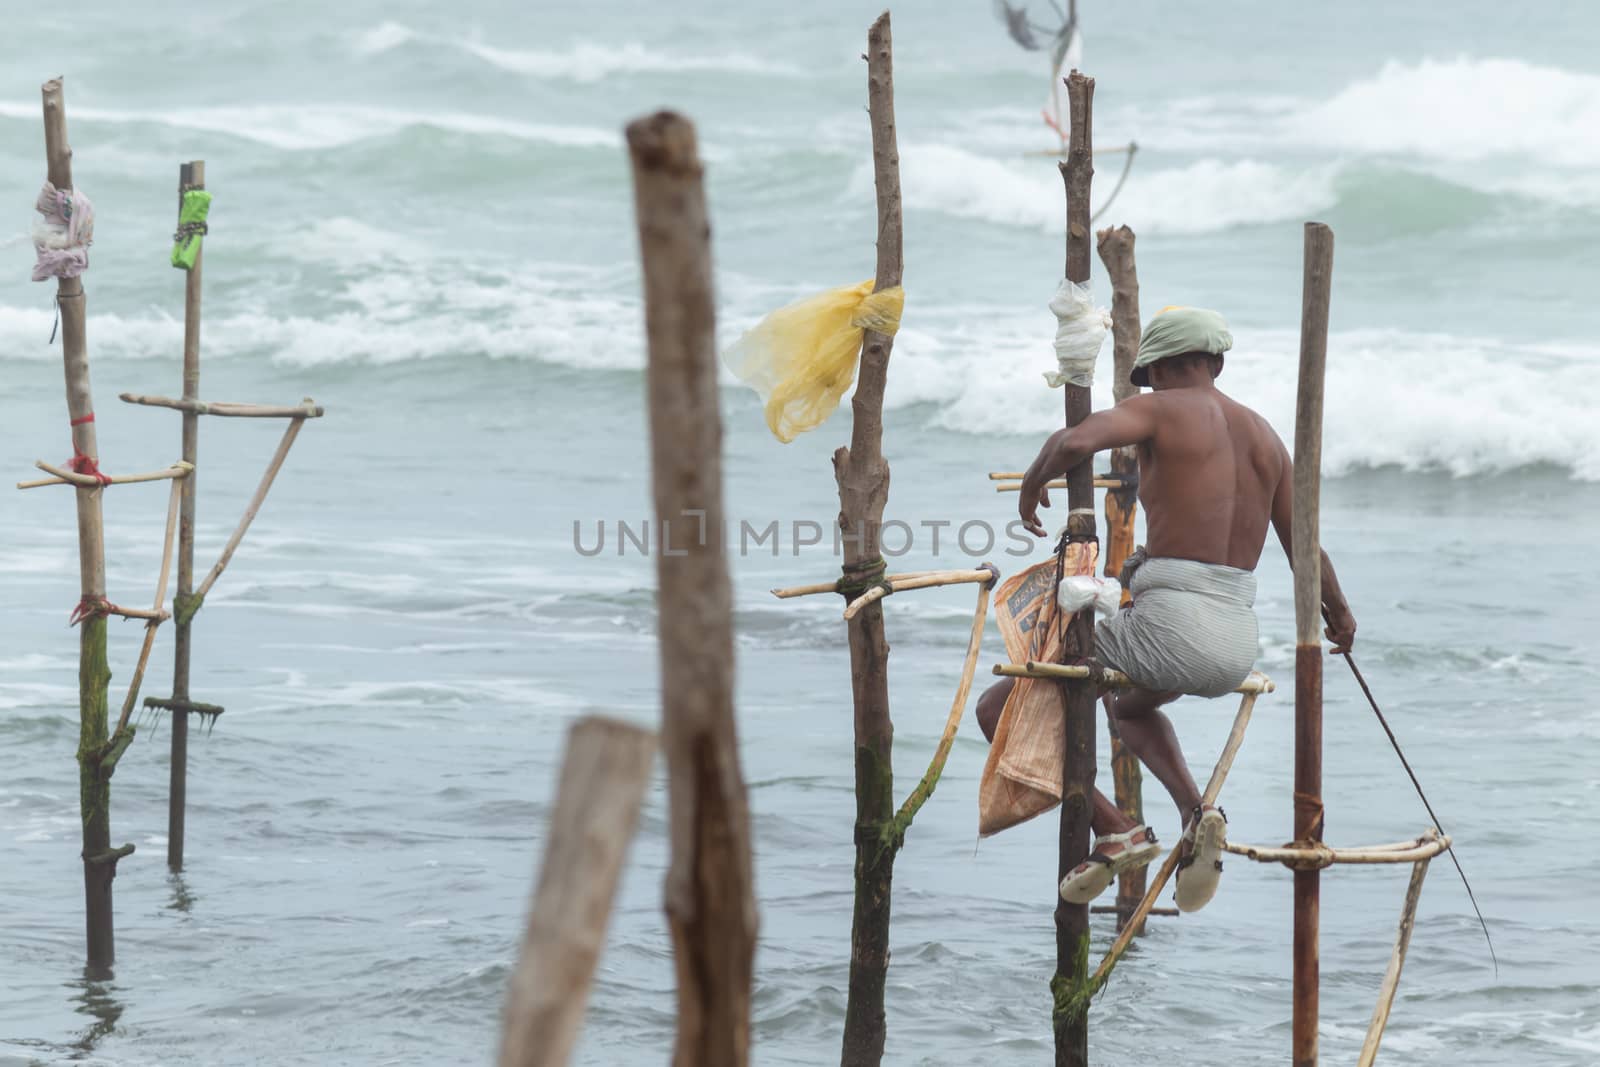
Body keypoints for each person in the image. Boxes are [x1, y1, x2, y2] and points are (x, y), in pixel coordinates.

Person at [976, 306, 1357, 913]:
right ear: (1218, 363)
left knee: (998, 709)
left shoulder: (1159, 409)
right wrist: (1339, 612)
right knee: (1128, 710)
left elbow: (1075, 440)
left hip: (1170, 628)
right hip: (1235, 644)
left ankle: (1117, 828)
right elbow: (1303, 549)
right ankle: (1194, 811)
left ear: (1153, 372)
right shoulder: (1266, 437)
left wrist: (1032, 483)